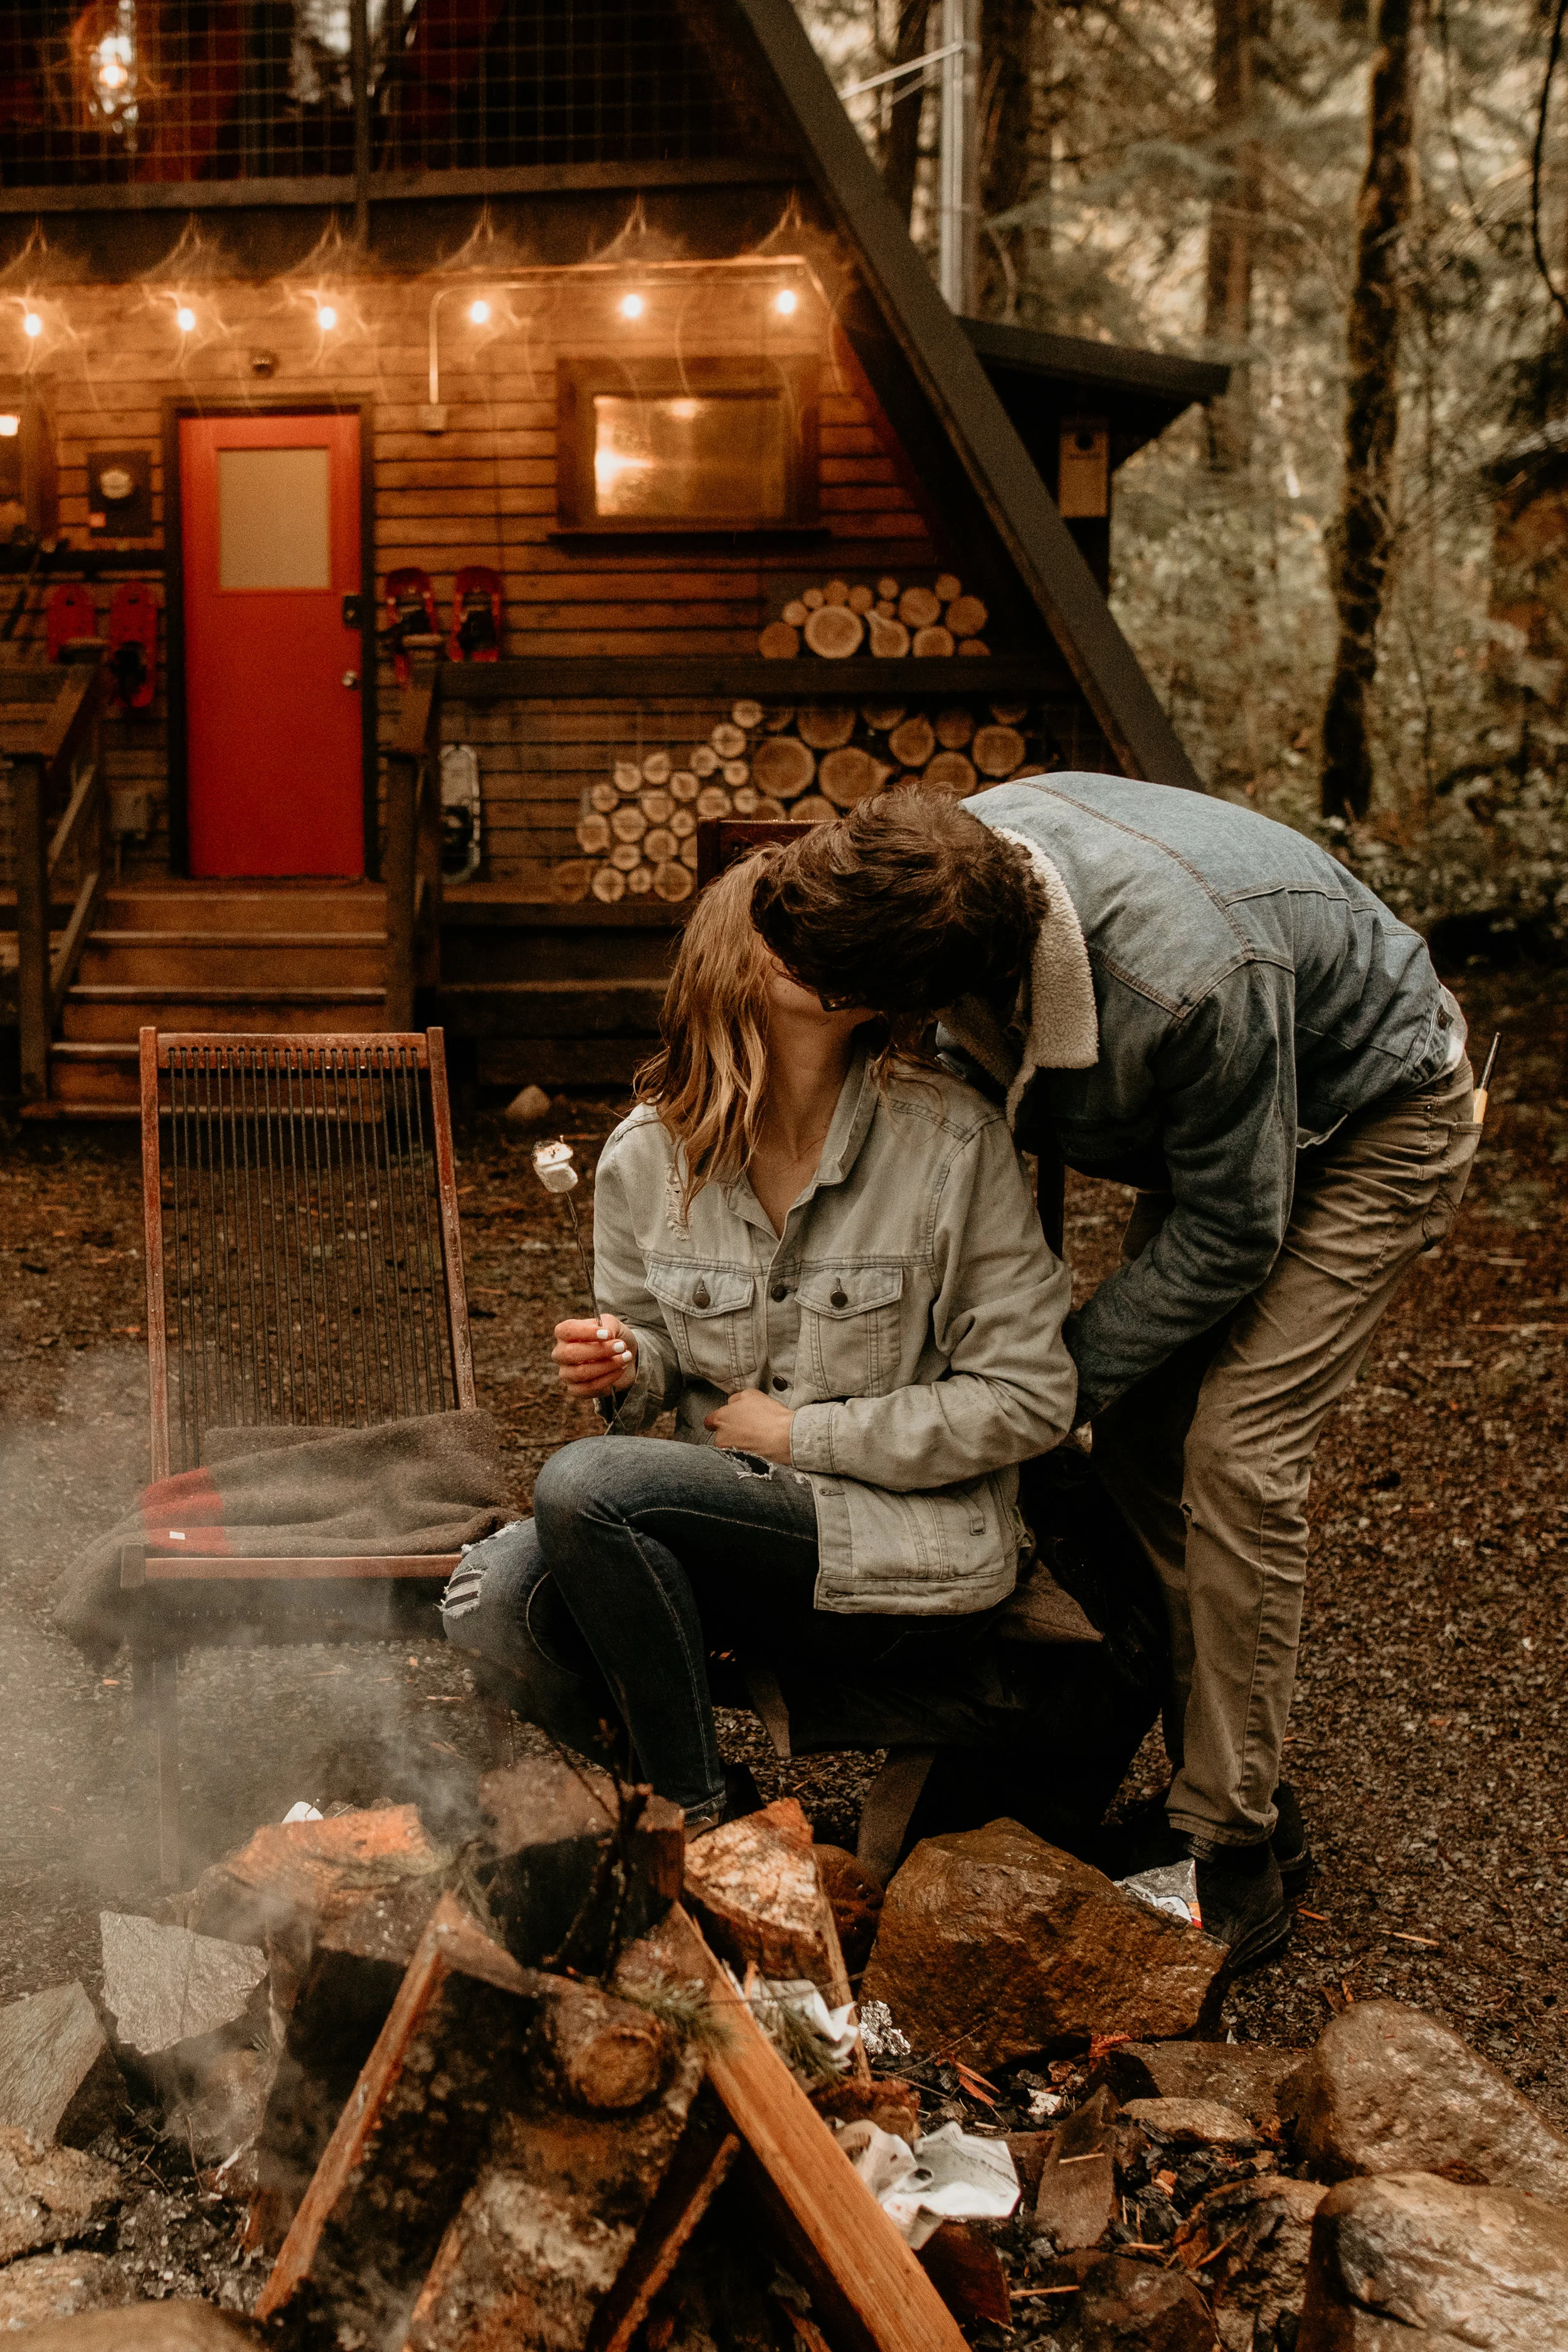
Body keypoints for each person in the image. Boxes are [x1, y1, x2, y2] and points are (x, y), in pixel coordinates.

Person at [750, 778, 1478, 1966]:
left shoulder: (1188, 984)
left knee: (1235, 1458)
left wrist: (1040, 1392)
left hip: (1371, 1123)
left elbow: (1233, 1231)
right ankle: (1244, 1784)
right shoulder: (936, 865)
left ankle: (1232, 1854)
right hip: (1235, 1121)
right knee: (1142, 1452)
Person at [442, 854, 1078, 1833]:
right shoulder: (645, 1156)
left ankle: (689, 1830)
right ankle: (725, 1818)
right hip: (723, 1551)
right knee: (492, 1597)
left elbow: (1029, 1397)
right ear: (733, 955)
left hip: (903, 1553)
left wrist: (803, 1436)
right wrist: (627, 1363)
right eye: (797, 923)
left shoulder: (952, 1144)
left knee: (583, 1484)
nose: (829, 940)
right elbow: (654, 1357)